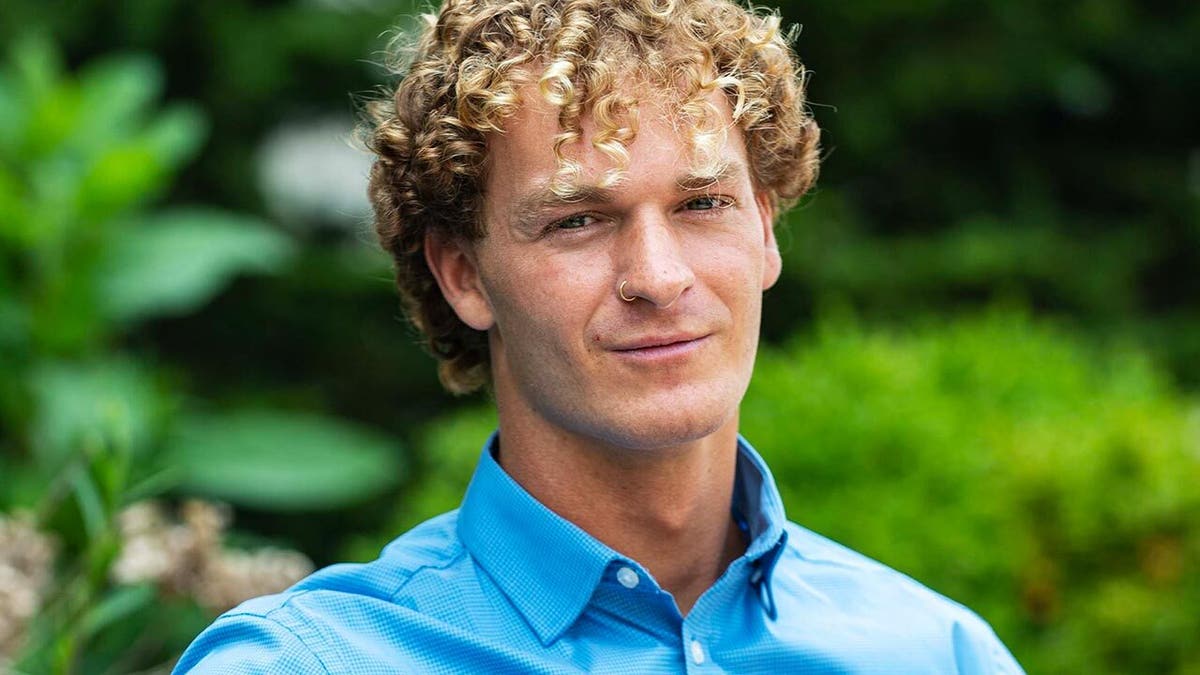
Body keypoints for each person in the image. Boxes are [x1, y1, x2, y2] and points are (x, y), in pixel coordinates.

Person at [174, 0, 1024, 672]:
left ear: (765, 230)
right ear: (463, 274)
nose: (657, 276)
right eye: (578, 219)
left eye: (701, 204)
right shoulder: (312, 664)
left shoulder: (938, 653)